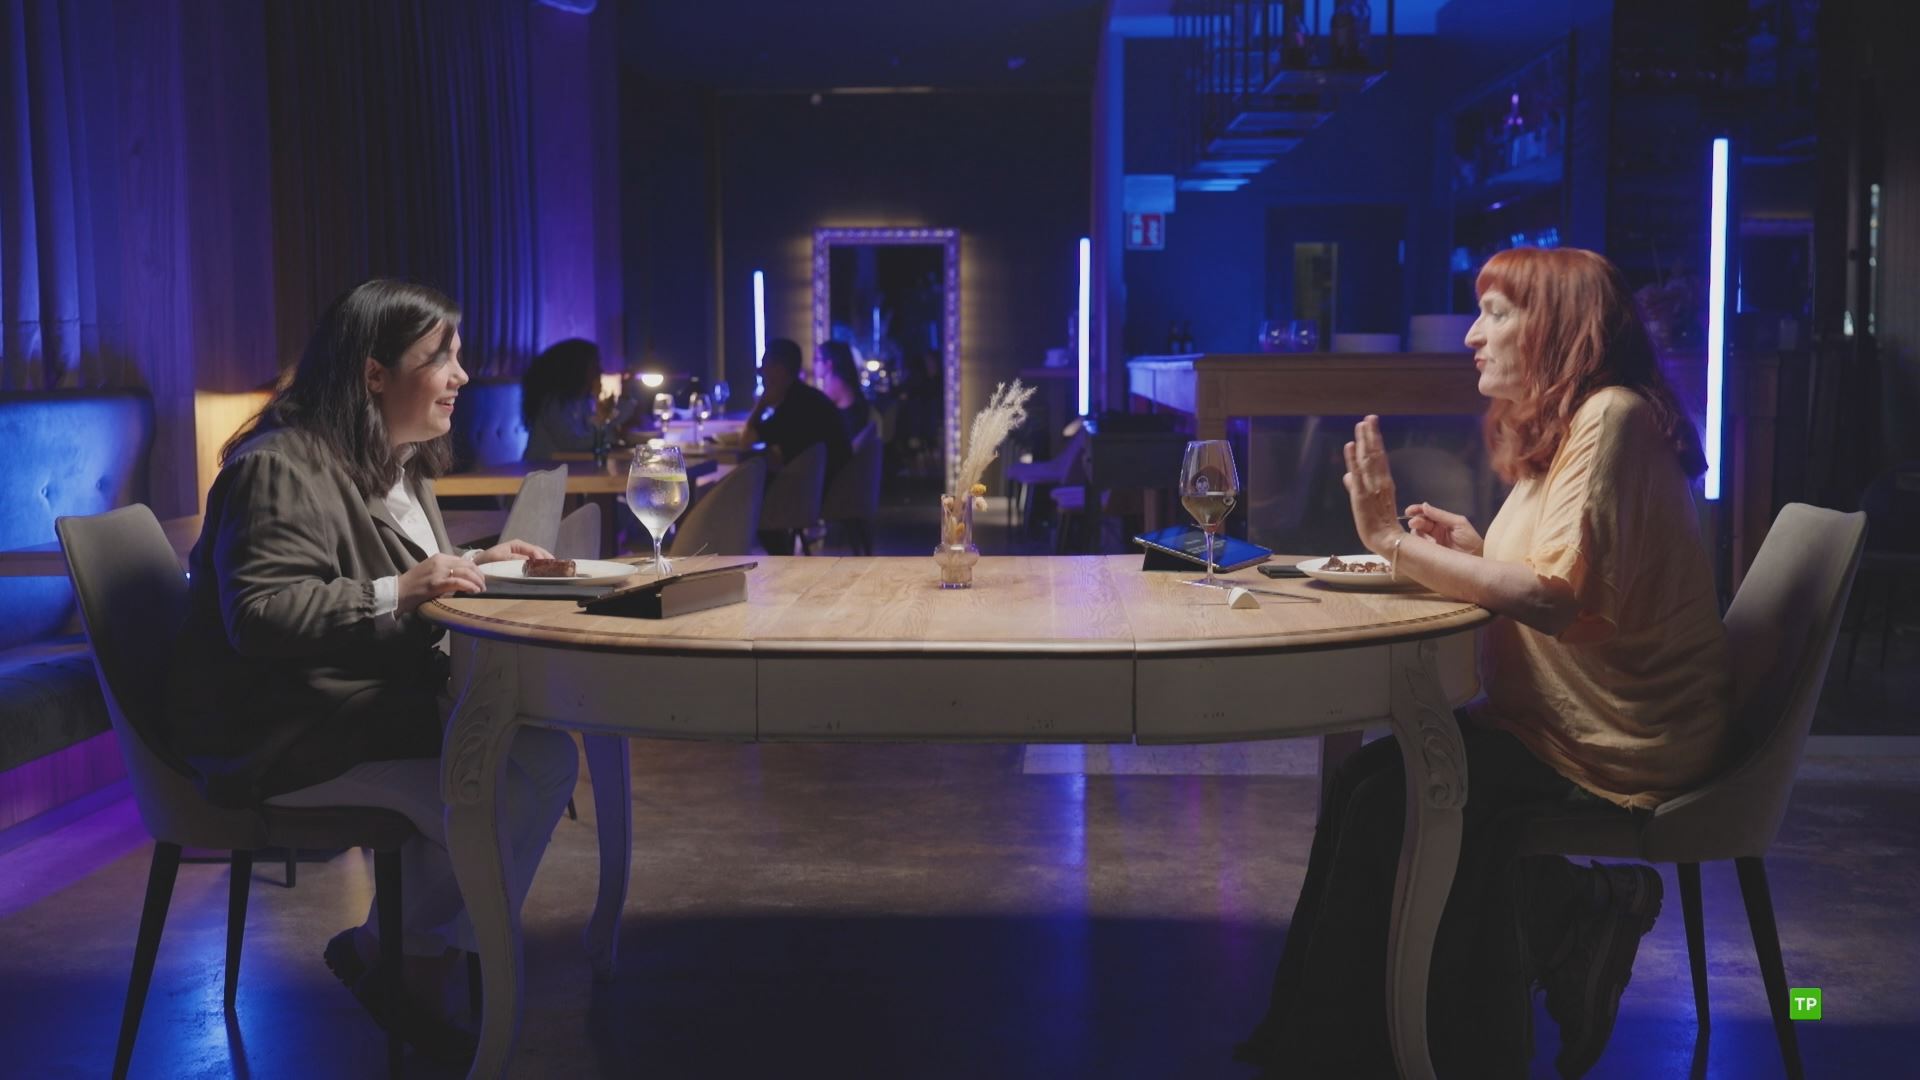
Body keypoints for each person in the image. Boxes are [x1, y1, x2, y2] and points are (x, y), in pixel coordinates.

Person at [1237, 247, 1731, 1079]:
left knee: (1387, 800)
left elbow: (1551, 598)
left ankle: (1359, 1054)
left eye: (1497, 314)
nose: (1472, 334)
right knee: (1363, 781)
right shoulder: (1576, 425)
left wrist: (1391, 542)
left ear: (1559, 329)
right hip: (1551, 723)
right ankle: (1323, 1041)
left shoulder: (1610, 417)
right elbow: (1555, 574)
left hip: (1621, 739)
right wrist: (1472, 550)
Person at [167, 280, 580, 1064]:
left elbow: (392, 571)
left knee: (544, 755)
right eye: (440, 357)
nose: (461, 375)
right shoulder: (277, 468)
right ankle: (414, 965)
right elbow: (259, 615)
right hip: (285, 731)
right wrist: (404, 588)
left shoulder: (395, 461)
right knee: (501, 786)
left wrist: (475, 562)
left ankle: (393, 953)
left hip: (355, 710)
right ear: (374, 375)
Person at [521, 337, 633, 460]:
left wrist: (625, 395)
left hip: (566, 467)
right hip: (542, 469)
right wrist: (612, 433)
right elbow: (572, 443)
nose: (600, 371)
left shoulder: (580, 401)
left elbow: (592, 433)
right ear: (577, 368)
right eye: (594, 365)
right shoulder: (552, 403)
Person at [813, 339, 877, 442]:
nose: (814, 365)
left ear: (829, 364)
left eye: (816, 359)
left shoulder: (835, 385)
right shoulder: (843, 382)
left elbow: (814, 412)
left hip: (847, 444)